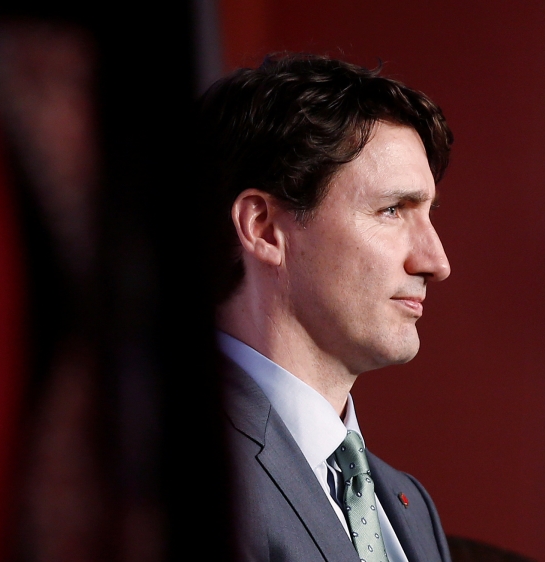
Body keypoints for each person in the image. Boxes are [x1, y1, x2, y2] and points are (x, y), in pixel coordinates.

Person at [197, 53, 453, 562]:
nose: (436, 261)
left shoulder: (411, 507)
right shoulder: (185, 478)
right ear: (264, 228)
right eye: (391, 210)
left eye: (428, 214)